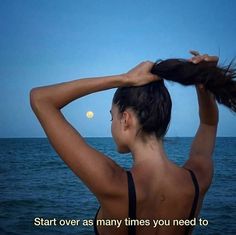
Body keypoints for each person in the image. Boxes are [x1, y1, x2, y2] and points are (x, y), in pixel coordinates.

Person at [30, 50, 236, 235]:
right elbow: (209, 123)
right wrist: (204, 86)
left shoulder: (112, 183)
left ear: (125, 119)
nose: (111, 124)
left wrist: (124, 79)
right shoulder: (197, 179)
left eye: (112, 116)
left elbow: (41, 99)